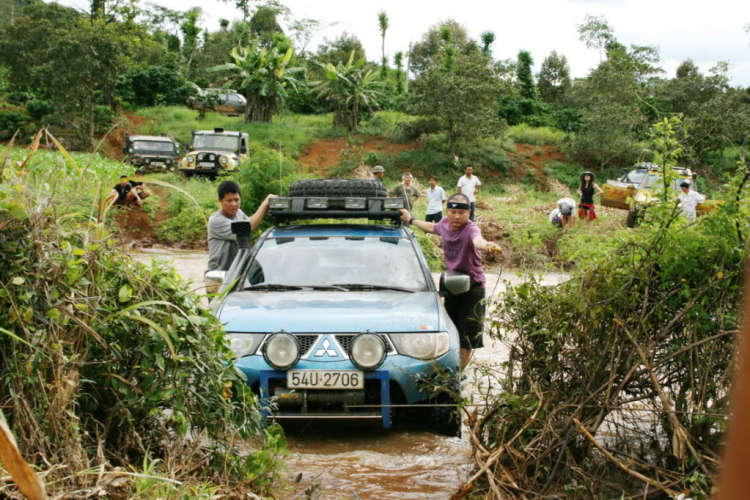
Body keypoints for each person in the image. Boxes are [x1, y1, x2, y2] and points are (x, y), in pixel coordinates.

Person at [400, 193, 502, 369]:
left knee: (466, 336)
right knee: (449, 331)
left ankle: (457, 377)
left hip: (473, 286)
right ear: (447, 212)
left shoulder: (470, 229)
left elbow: (477, 240)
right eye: (452, 212)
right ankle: (447, 370)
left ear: (468, 213)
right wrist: (411, 219)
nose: (456, 216)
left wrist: (487, 245)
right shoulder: (445, 224)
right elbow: (432, 227)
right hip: (453, 284)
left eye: (461, 213)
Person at [206, 181, 277, 275]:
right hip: (219, 274)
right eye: (229, 200)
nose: (234, 204)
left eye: (236, 200)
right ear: (220, 201)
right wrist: (264, 205)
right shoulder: (216, 221)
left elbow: (249, 221)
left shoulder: (239, 213)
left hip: (236, 272)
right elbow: (248, 227)